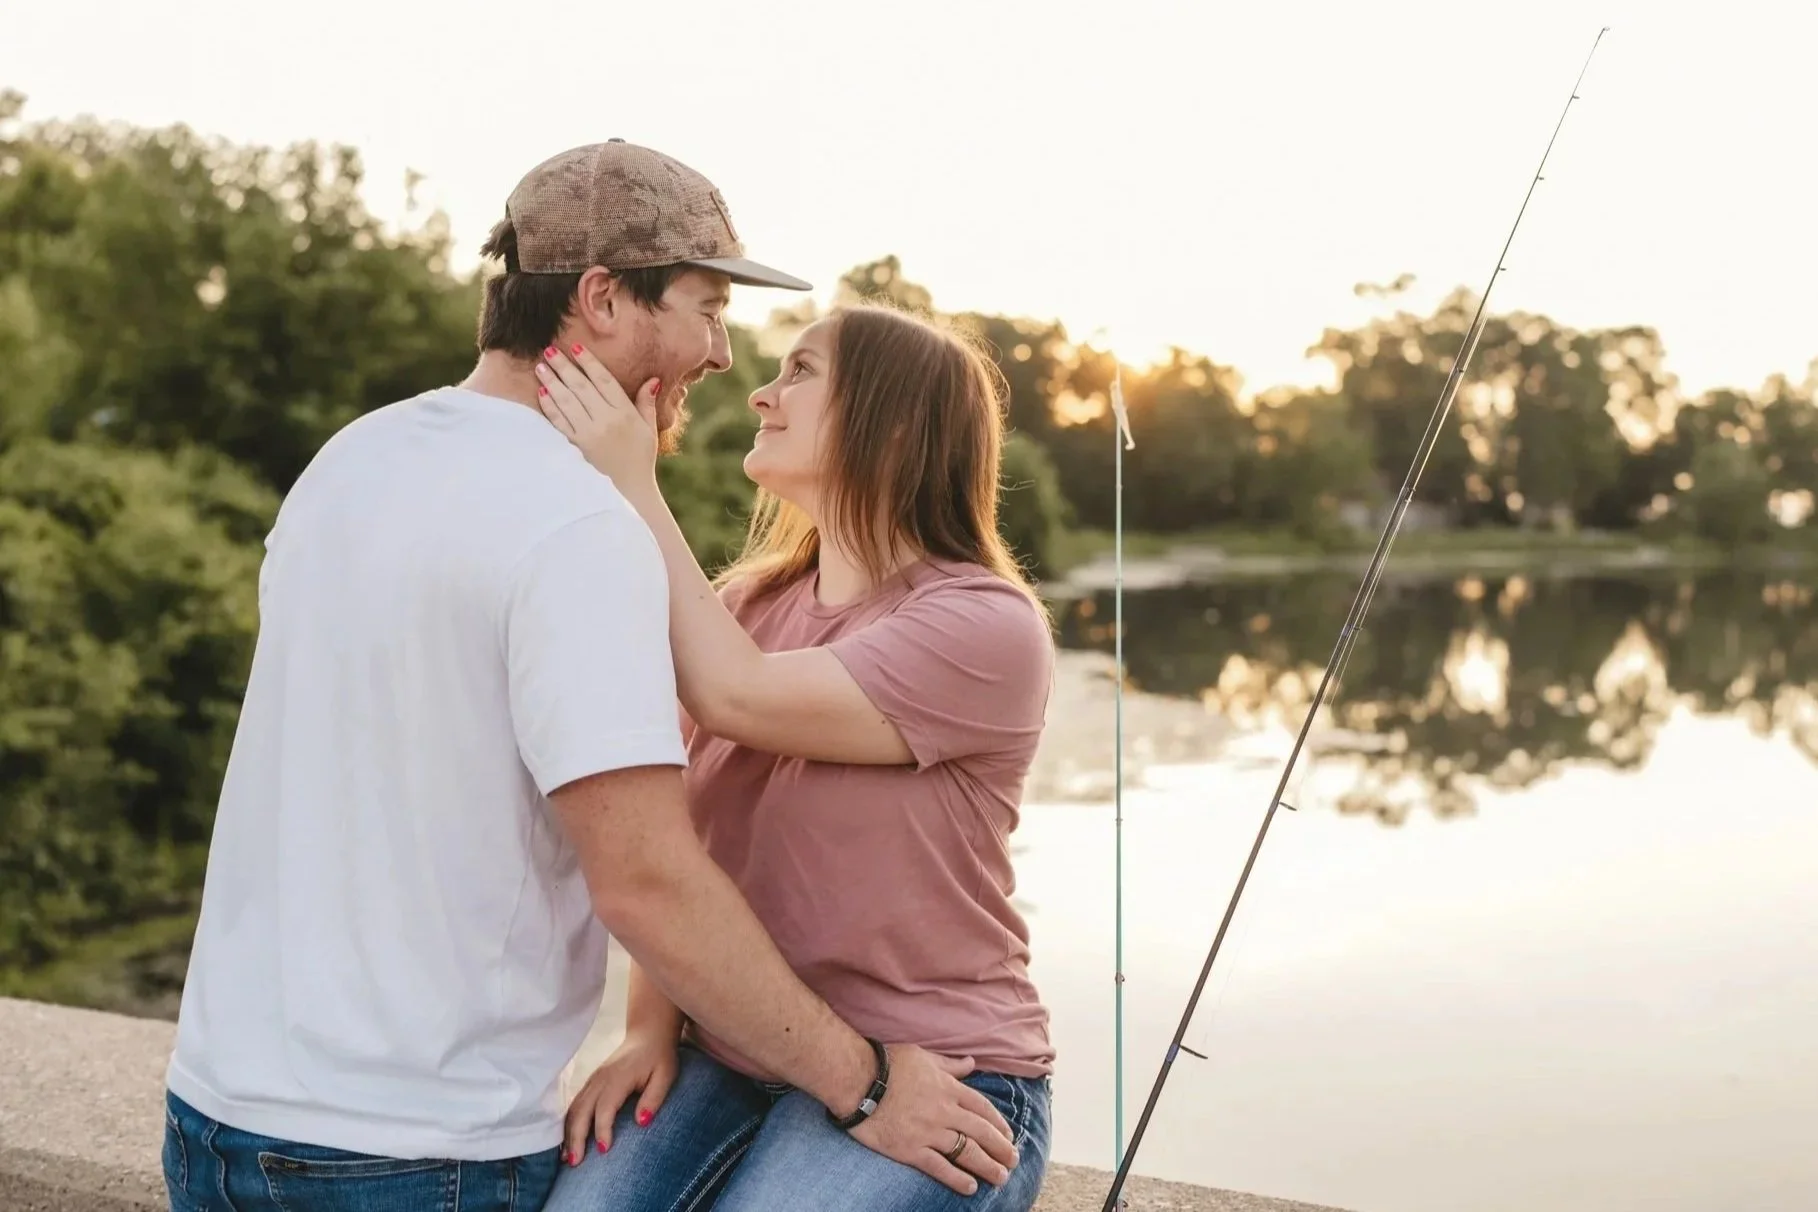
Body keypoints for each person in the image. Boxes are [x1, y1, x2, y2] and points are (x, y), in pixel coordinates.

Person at [159, 139, 1017, 1212]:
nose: (720, 357)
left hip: (216, 1117)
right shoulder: (581, 527)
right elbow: (652, 875)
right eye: (705, 309)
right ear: (603, 299)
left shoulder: (351, 460)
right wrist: (865, 1083)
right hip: (415, 1150)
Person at [530, 300, 1057, 1212]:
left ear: (891, 422)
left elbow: (738, 696)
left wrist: (634, 484)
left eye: (802, 372)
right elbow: (675, 843)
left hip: (942, 1068)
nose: (763, 395)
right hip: (736, 1051)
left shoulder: (985, 625)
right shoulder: (740, 606)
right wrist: (648, 1030)